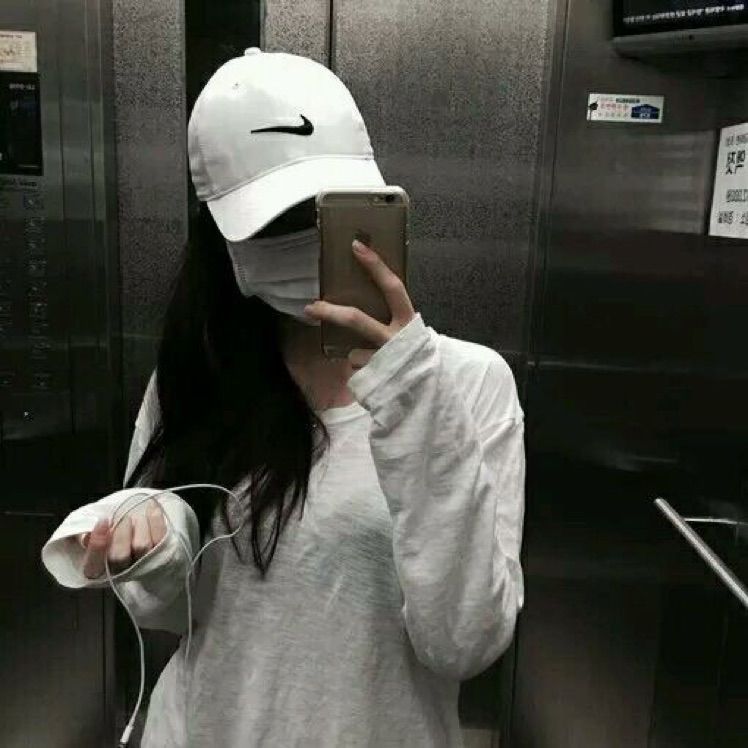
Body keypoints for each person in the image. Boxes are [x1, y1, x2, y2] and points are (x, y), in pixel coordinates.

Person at [41, 49, 525, 747]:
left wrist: (414, 396)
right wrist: (148, 547)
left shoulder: (470, 383)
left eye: (326, 210)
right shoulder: (202, 372)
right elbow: (167, 616)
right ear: (221, 237)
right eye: (277, 223)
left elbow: (464, 643)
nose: (307, 241)